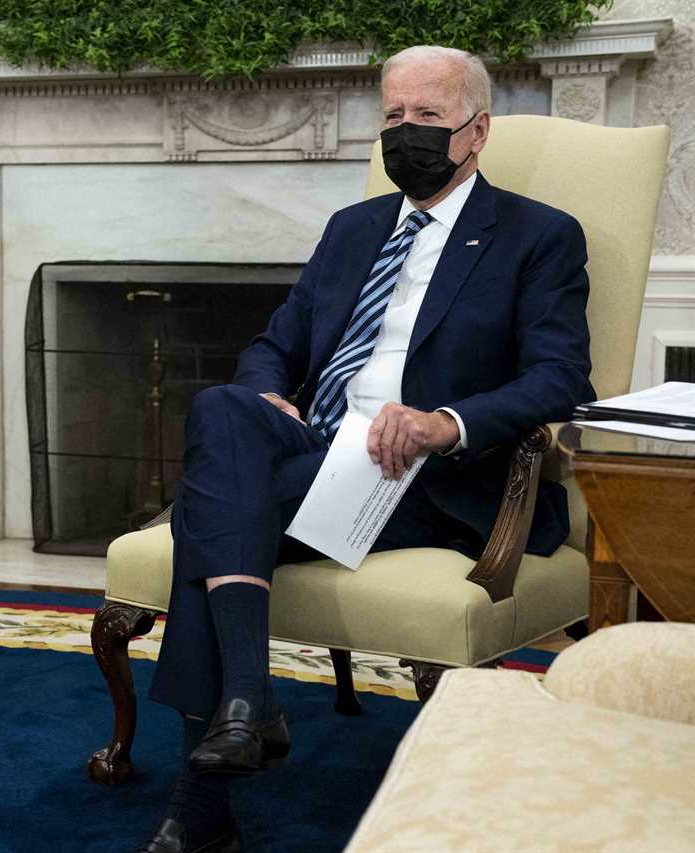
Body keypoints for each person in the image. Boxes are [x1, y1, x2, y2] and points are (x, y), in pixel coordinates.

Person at [136, 45, 593, 853]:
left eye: (427, 117)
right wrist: (269, 390)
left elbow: (560, 378)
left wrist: (441, 421)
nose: (404, 133)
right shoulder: (353, 228)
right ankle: (247, 704)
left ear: (476, 131)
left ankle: (205, 795)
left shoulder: (538, 235)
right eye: (392, 115)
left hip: (419, 470)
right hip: (312, 440)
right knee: (224, 406)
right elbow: (275, 343)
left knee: (209, 518)